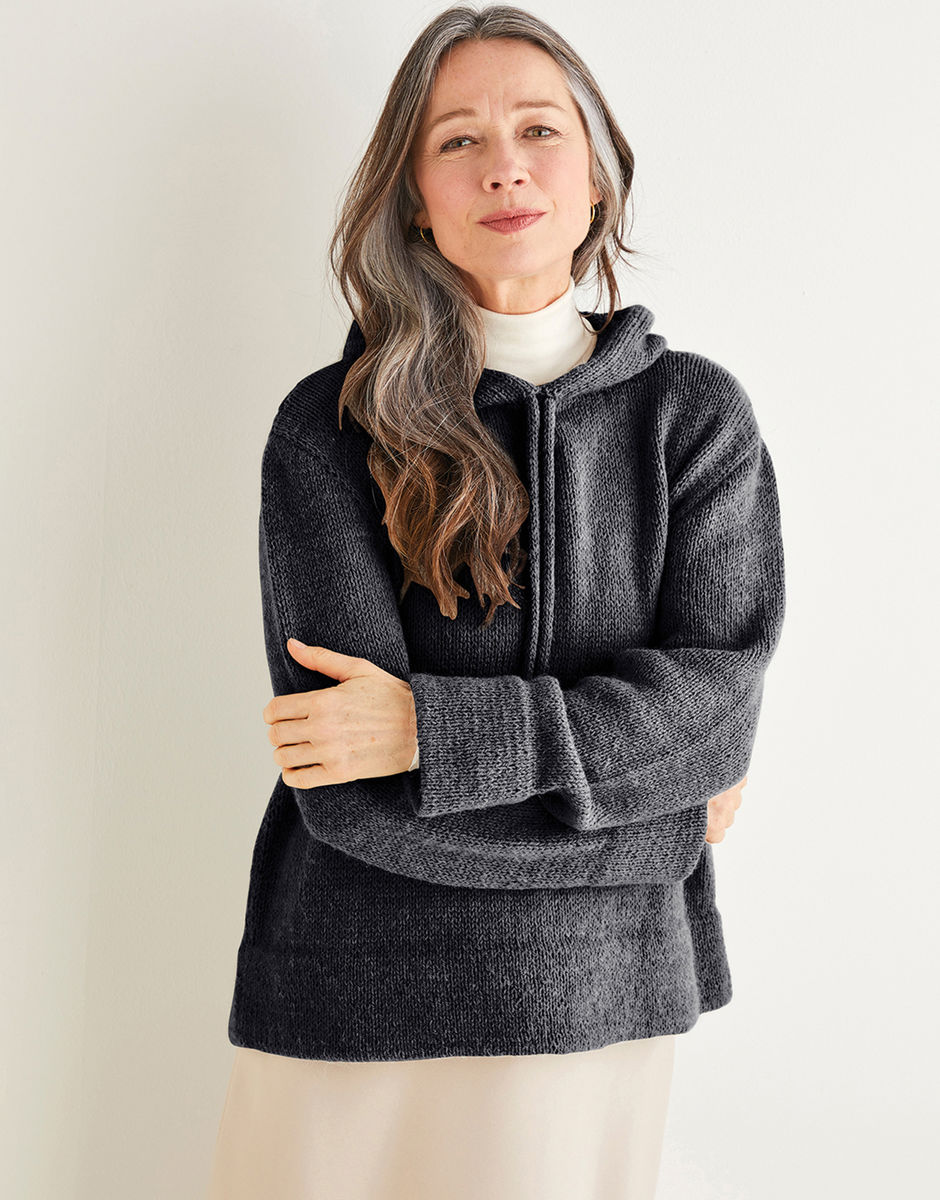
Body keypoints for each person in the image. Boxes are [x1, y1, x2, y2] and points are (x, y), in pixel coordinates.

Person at [208, 5, 785, 1199]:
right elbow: (347, 791)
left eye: (539, 130)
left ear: (598, 176)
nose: (505, 166)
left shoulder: (694, 418)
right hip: (354, 999)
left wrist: (430, 728)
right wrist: (659, 820)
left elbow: (716, 712)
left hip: (601, 1003)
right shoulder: (329, 427)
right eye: (458, 140)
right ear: (414, 198)